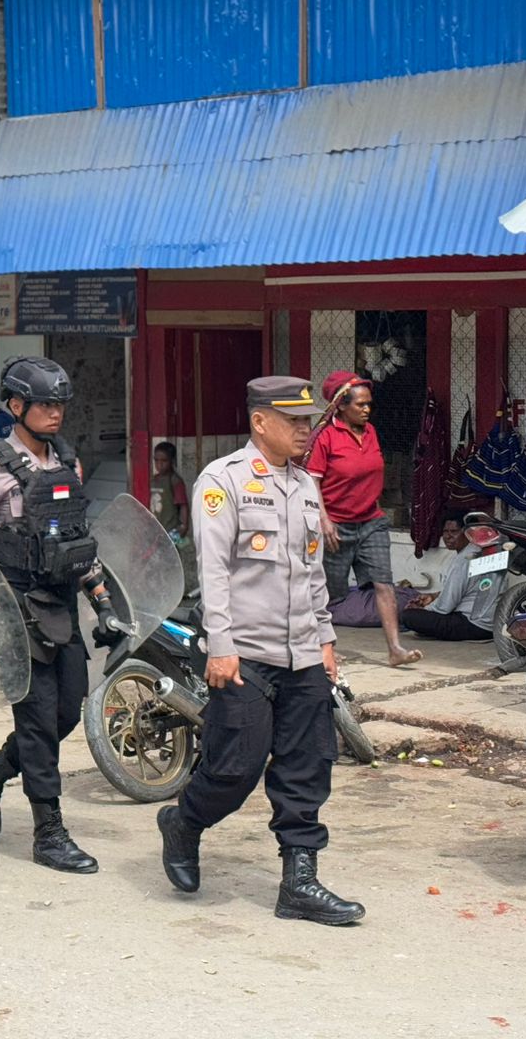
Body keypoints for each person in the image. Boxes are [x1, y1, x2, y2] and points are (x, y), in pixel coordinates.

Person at [156, 376, 364, 926]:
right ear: (260, 422)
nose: (305, 429)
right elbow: (215, 572)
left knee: (308, 765)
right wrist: (220, 646)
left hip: (302, 656)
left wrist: (326, 640)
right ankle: (185, 823)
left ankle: (299, 882)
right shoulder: (222, 482)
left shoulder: (306, 486)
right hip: (244, 654)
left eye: (307, 420)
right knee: (234, 768)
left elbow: (313, 572)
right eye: (294, 420)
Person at [0, 357, 101, 874]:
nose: (55, 413)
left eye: (60, 404)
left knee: (66, 710)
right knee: (37, 719)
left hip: (61, 602)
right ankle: (48, 831)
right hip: (14, 607)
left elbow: (75, 536)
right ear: (16, 407)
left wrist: (98, 587)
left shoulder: (66, 462)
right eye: (44, 404)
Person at [307, 371, 421, 667]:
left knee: (384, 584)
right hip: (336, 525)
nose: (367, 409)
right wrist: (324, 519)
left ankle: (395, 648)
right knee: (329, 593)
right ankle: (326, 647)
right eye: (360, 404)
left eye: (369, 404)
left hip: (371, 521)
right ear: (340, 406)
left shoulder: (370, 432)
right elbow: (312, 481)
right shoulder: (325, 438)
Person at [399, 514, 502, 642]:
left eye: (454, 532)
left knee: (408, 616)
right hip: (490, 625)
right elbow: (462, 592)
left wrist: (424, 609)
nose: (448, 536)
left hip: (472, 624)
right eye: (445, 532)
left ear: (468, 534)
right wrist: (433, 597)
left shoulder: (464, 560)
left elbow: (444, 607)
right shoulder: (479, 551)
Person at [151, 441, 199, 597]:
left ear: (171, 461)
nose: (159, 464)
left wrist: (184, 526)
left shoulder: (175, 481)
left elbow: (183, 504)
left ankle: (174, 594)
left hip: (172, 531)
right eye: (156, 460)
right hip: (156, 531)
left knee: (171, 564)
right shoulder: (154, 479)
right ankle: (160, 593)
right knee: (156, 563)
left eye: (163, 461)